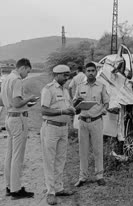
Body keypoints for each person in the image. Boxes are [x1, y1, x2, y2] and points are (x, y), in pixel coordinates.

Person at [2, 58, 38, 200]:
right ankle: (16, 190)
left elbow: (6, 101)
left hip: (9, 116)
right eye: (27, 72)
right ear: (23, 68)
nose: (27, 75)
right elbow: (17, 102)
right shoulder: (17, 80)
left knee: (10, 154)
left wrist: (24, 104)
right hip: (18, 119)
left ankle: (9, 186)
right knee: (18, 155)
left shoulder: (6, 79)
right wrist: (28, 99)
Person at [40, 65, 76, 205]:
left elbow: (66, 107)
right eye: (65, 75)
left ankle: (59, 187)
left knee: (61, 158)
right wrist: (62, 112)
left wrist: (72, 110)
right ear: (57, 75)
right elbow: (44, 110)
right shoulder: (48, 89)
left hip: (63, 128)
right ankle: (50, 192)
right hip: (51, 128)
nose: (67, 78)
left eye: (68, 75)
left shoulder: (65, 91)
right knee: (49, 160)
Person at [73, 62, 109, 187]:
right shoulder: (80, 86)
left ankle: (99, 176)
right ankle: (83, 177)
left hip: (96, 121)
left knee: (98, 149)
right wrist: (77, 103)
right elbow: (74, 103)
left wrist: (104, 109)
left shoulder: (101, 86)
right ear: (85, 72)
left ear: (96, 71)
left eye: (93, 70)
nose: (91, 73)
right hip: (83, 121)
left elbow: (106, 102)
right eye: (88, 71)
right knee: (83, 150)